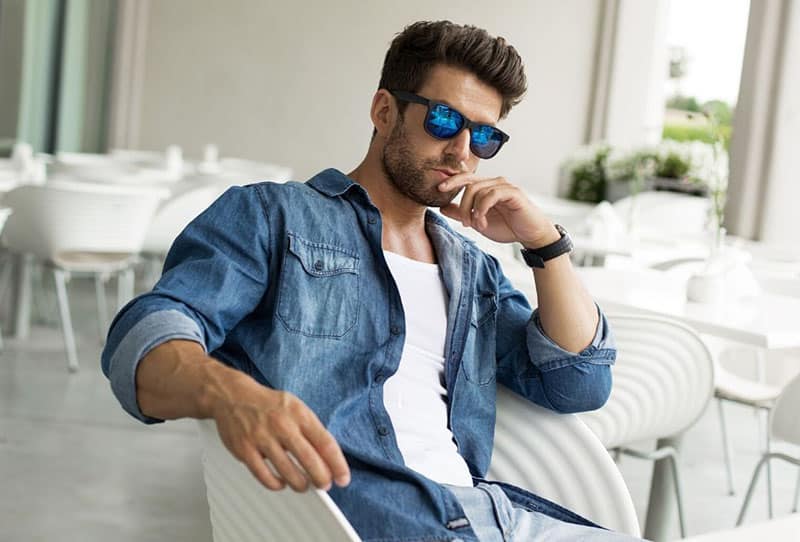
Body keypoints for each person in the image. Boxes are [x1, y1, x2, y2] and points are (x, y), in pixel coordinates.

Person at [102, 20, 640, 542]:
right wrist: (231, 395)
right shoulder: (273, 217)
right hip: (377, 517)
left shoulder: (472, 270)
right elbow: (143, 339)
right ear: (385, 111)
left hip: (490, 515)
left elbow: (578, 383)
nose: (462, 153)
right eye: (445, 121)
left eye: (484, 136)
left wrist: (546, 244)